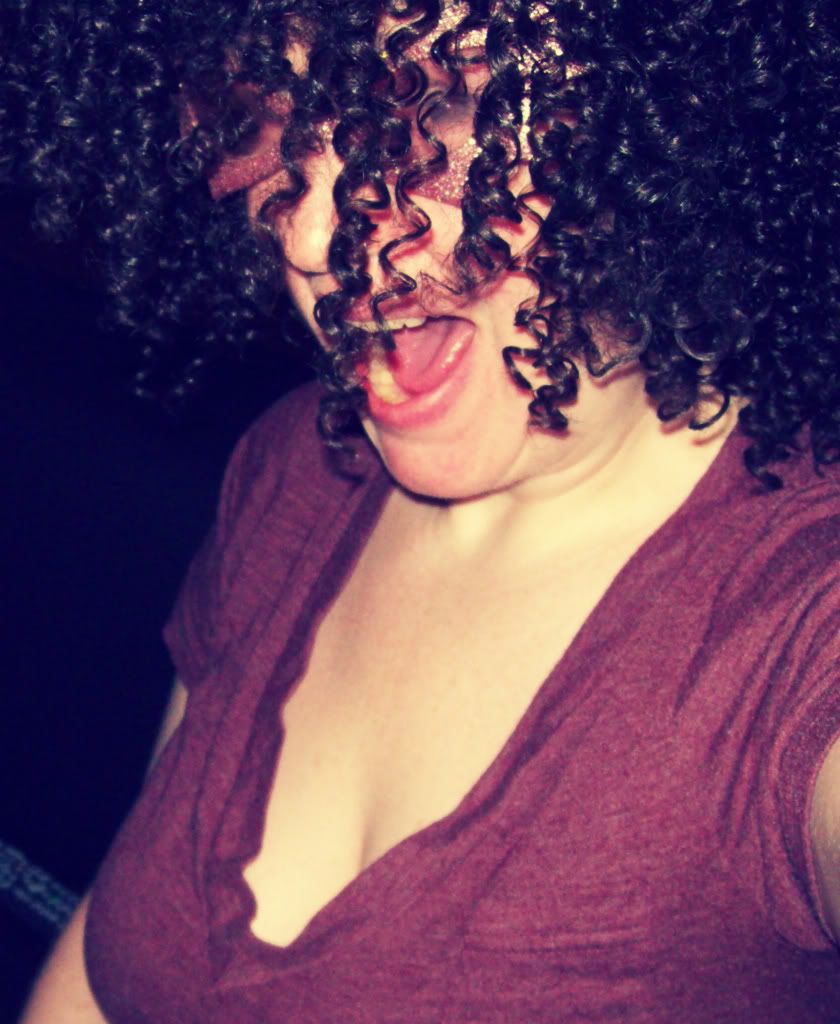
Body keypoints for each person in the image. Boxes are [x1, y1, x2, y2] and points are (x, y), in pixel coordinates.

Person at [8, 0, 840, 1019]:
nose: (312, 233)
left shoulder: (801, 624)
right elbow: (108, 972)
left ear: (670, 113)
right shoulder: (301, 467)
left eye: (439, 102)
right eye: (264, 117)